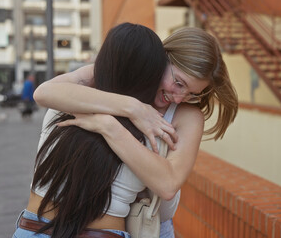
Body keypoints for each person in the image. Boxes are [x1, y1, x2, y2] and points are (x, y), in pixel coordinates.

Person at [33, 26, 239, 237]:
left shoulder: (187, 115)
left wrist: (109, 126)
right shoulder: (113, 73)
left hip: (148, 224)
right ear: (163, 59)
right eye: (178, 83)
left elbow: (168, 185)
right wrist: (133, 108)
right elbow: (45, 93)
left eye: (191, 94)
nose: (178, 97)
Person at [13, 23, 168, 238]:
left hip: (35, 230)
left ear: (102, 61)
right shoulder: (153, 131)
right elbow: (166, 207)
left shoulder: (63, 106)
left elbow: (46, 91)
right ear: (155, 75)